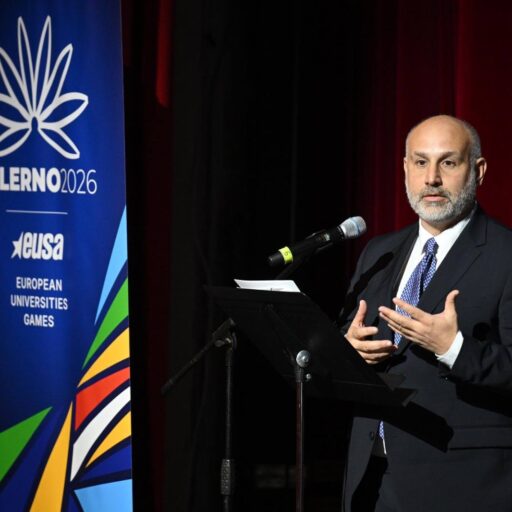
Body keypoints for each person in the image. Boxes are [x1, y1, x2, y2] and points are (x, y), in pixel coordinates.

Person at [339, 115, 512, 511]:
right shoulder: (379, 252)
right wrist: (349, 349)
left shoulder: (506, 255)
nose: (432, 178)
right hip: (373, 478)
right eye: (420, 162)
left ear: (478, 170)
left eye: (448, 162)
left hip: (464, 481)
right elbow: (347, 334)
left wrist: (453, 348)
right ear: (405, 169)